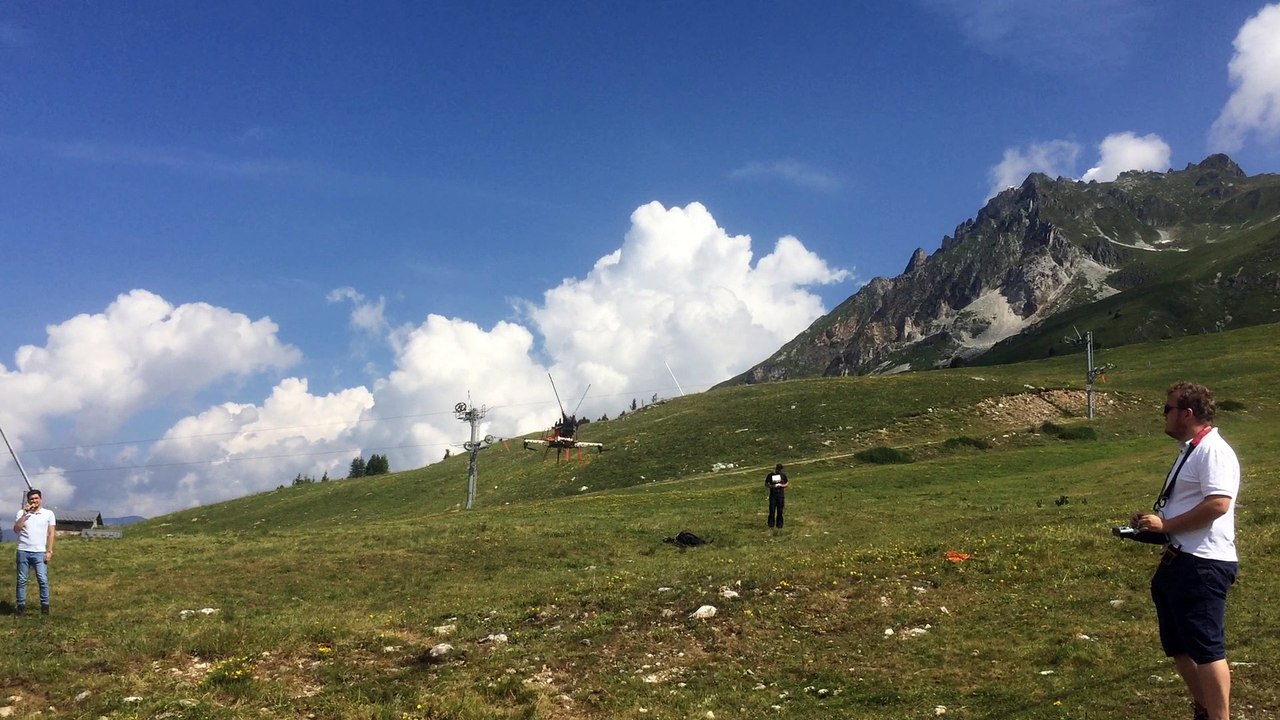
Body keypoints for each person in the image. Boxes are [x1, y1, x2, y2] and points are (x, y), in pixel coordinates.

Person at [1129, 382, 1240, 720]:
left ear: (1187, 413)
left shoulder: (1213, 451)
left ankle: (1218, 716)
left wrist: (1167, 526)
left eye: (1168, 409)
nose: (1164, 415)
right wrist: (1157, 522)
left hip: (1204, 562)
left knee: (1206, 649)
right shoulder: (1192, 449)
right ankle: (1204, 707)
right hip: (1182, 558)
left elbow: (1219, 504)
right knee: (1178, 644)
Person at [14, 488, 56, 616]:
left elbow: (51, 533)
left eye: (36, 498)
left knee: (42, 579)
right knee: (21, 580)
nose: (34, 501)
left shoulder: (48, 514)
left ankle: (45, 607)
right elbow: (17, 529)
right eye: (31, 499)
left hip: (39, 552)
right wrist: (24, 515)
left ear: (40, 499)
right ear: (28, 500)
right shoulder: (22, 513)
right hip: (23, 551)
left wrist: (49, 551)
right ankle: (20, 607)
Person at [765, 464, 789, 528]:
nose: (779, 470)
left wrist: (781, 485)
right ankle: (771, 524)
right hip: (773, 495)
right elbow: (766, 483)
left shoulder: (783, 475)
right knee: (772, 510)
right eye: (778, 469)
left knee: (780, 510)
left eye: (780, 469)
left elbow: (787, 483)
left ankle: (779, 524)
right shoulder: (770, 475)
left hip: (780, 495)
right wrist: (772, 486)